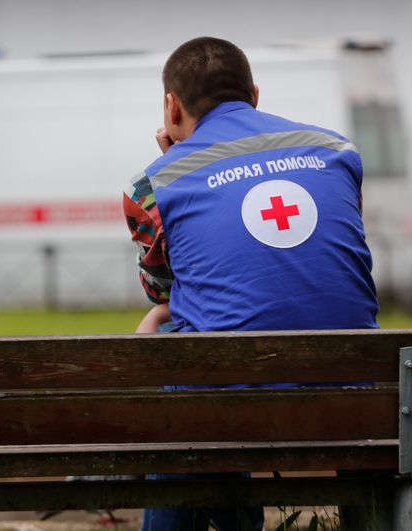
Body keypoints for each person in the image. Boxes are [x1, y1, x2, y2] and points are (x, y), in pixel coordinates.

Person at [123, 37, 379, 530]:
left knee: (177, 358)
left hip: (227, 403)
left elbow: (165, 293)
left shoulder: (154, 183)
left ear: (171, 106)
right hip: (354, 395)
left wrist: (177, 159)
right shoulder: (338, 151)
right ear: (255, 94)